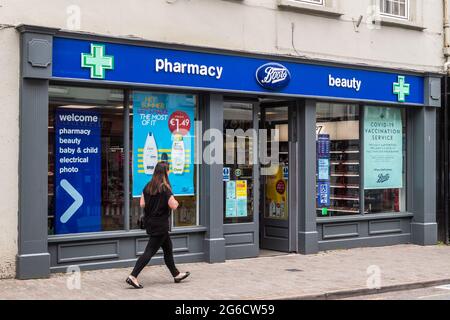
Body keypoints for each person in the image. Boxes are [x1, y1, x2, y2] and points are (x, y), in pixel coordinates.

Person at [126, 161, 190, 289]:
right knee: (149, 251)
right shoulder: (165, 189)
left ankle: (176, 274)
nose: (170, 172)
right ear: (165, 172)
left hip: (151, 223)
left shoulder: (148, 187)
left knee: (168, 248)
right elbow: (173, 205)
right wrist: (176, 201)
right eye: (169, 170)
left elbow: (142, 204)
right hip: (160, 225)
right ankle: (133, 276)